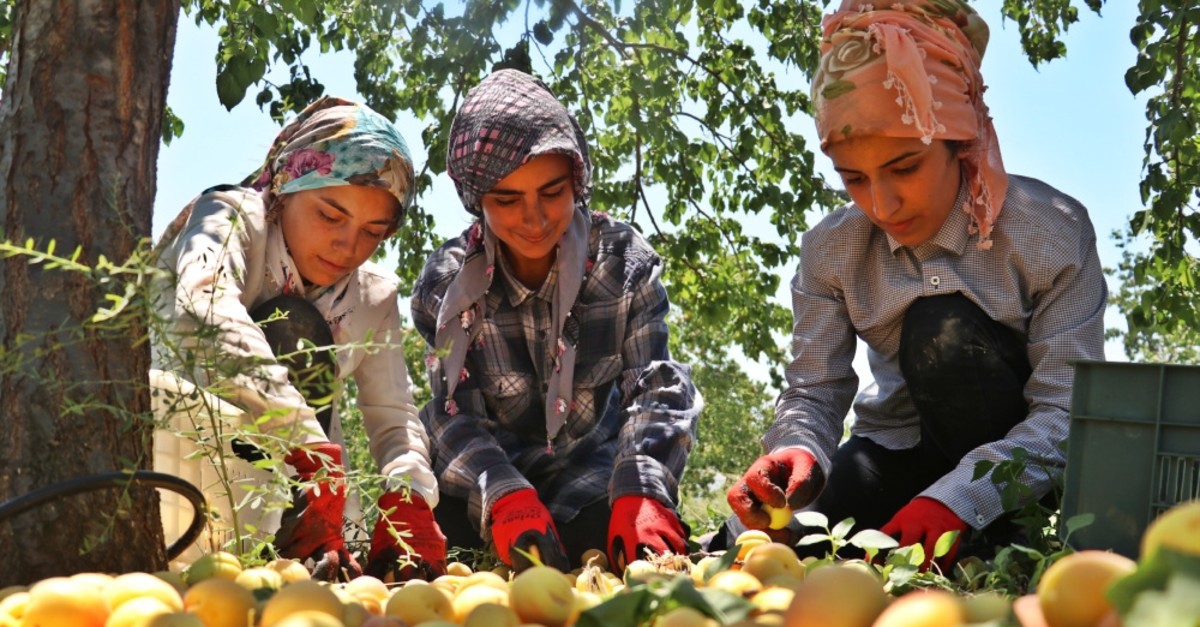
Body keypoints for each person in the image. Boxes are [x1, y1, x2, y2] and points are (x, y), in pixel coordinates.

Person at [719, 0, 1106, 570]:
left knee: (938, 328)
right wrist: (795, 448)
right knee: (764, 542)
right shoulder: (829, 250)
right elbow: (814, 388)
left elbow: (1065, 409)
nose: (881, 204)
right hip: (893, 452)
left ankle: (989, 540)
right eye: (853, 178)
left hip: (1016, 469)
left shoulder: (1049, 233)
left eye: (904, 168)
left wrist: (960, 500)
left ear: (960, 140)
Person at [411, 69, 702, 574]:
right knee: (442, 560)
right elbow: (451, 413)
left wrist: (640, 486)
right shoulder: (446, 286)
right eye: (506, 200)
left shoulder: (623, 264)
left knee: (627, 557)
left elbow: (655, 386)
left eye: (552, 192)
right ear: (475, 199)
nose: (535, 218)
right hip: (485, 481)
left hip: (591, 476)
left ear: (578, 180)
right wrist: (503, 496)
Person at [151, 96, 445, 581]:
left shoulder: (372, 297)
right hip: (187, 467)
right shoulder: (229, 219)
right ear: (286, 188)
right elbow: (202, 310)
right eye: (330, 216)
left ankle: (306, 547)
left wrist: (409, 496)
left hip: (310, 507)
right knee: (291, 323)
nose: (348, 246)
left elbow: (395, 421)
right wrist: (305, 443)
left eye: (373, 231)